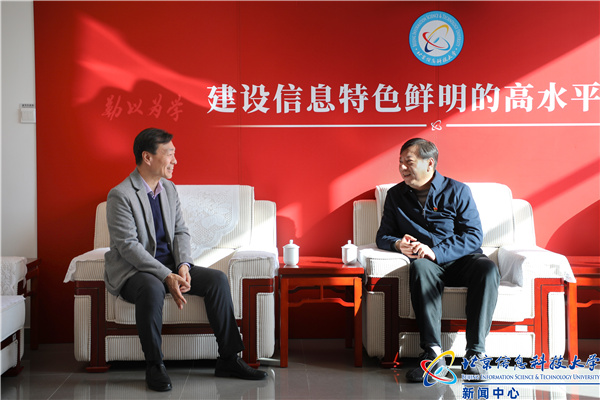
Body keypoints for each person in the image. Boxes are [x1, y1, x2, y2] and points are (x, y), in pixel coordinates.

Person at [104, 128, 267, 391]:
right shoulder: (121, 195)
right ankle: (154, 365)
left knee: (216, 280)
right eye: (169, 154)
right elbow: (128, 247)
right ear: (147, 157)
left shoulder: (168, 189)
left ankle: (229, 358)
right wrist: (166, 275)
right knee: (152, 287)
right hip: (134, 272)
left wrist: (183, 265)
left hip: (170, 265)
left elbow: (181, 231)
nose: (175, 160)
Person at [375, 138, 500, 383]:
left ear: (430, 163)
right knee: (420, 268)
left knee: (487, 269)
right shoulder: (395, 195)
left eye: (408, 162)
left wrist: (437, 252)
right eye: (400, 163)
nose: (402, 168)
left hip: (462, 259)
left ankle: (475, 354)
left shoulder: (458, 190)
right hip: (427, 263)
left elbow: (473, 235)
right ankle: (433, 354)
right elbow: (383, 236)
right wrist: (398, 244)